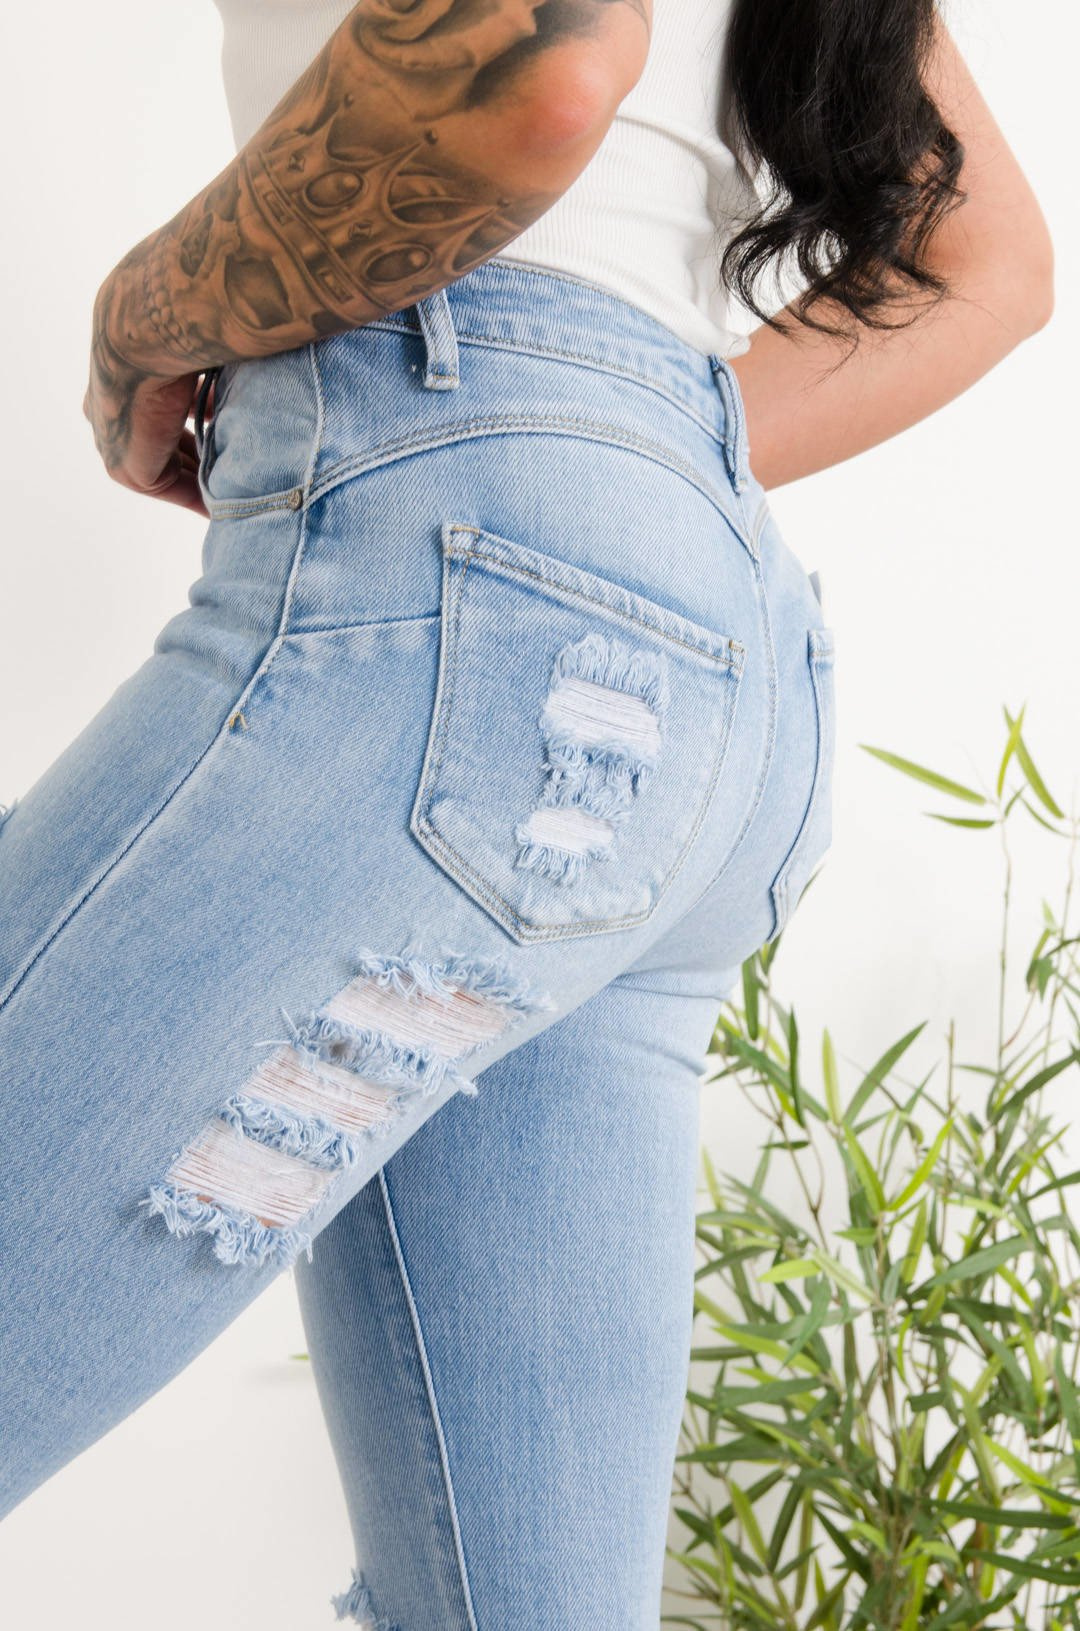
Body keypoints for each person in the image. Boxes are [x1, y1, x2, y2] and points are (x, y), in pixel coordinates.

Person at [0, 0, 1052, 1625]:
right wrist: (624, 465)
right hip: (697, 692)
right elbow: (990, 260)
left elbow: (541, 60)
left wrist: (142, 319)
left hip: (469, 665)